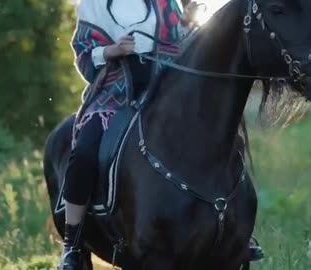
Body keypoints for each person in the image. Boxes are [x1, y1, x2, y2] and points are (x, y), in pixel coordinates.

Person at [59, 1, 262, 269]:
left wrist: (191, 27)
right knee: (85, 151)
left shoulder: (165, 4)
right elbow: (84, 57)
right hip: (113, 95)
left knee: (218, 140)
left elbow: (184, 47)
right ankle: (72, 244)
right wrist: (112, 51)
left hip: (165, 90)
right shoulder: (93, 7)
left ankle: (232, 232)